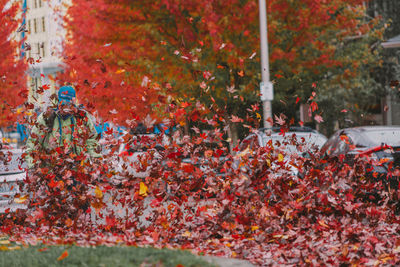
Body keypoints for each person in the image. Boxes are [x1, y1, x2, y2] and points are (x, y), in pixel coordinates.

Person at [24, 85, 102, 226]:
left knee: (82, 200)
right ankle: (55, 228)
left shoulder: (82, 118)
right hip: (52, 167)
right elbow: (33, 143)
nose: (65, 107)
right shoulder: (47, 117)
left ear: (74, 102)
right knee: (55, 203)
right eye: (62, 103)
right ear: (58, 101)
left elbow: (92, 140)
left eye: (69, 103)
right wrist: (32, 166)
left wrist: (95, 159)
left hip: (77, 166)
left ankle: (83, 227)